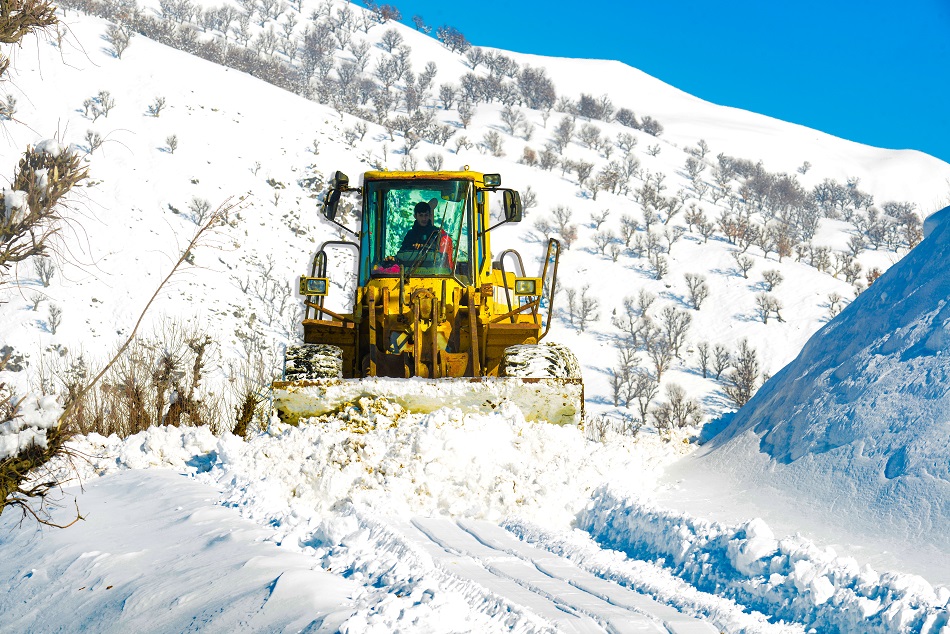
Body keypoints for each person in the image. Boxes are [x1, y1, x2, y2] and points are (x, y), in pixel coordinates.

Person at [397, 199, 454, 269]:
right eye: (421, 215)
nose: (424, 218)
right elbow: (402, 252)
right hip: (411, 271)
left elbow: (437, 249)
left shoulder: (436, 233)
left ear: (430, 215)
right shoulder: (410, 234)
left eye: (426, 215)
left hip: (433, 270)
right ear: (415, 216)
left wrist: (423, 246)